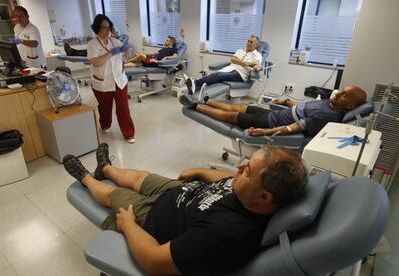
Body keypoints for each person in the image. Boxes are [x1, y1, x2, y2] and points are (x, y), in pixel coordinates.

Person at [63, 143, 307, 275]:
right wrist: (202, 172)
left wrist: (127, 224)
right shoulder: (252, 193)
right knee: (141, 177)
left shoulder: (225, 234)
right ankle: (105, 168)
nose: (239, 168)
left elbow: (155, 262)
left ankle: (85, 178)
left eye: (248, 171)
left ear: (265, 197)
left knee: (115, 195)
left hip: (153, 216)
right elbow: (230, 178)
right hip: (182, 193)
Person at [179, 85, 367, 137]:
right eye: (342, 90)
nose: (339, 93)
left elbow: (295, 127)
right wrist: (286, 101)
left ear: (350, 106)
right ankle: (206, 99)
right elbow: (302, 108)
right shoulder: (330, 102)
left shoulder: (328, 116)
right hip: (273, 114)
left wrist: (266, 132)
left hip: (271, 123)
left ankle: (194, 105)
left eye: (345, 95)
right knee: (239, 106)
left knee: (231, 116)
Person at [87, 14, 136, 143]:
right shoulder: (92, 44)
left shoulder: (114, 41)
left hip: (119, 80)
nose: (107, 30)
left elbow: (125, 55)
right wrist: (110, 53)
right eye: (104, 27)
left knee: (123, 108)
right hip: (102, 82)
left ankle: (129, 133)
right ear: (97, 28)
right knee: (105, 107)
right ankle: (105, 124)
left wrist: (126, 51)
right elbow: (96, 62)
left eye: (108, 27)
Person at [184, 35, 263, 94]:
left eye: (251, 42)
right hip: (229, 69)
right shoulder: (240, 51)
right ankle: (195, 89)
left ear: (256, 45)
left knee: (218, 76)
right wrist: (248, 63)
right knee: (215, 75)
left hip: (240, 75)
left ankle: (194, 83)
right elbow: (233, 59)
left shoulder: (257, 55)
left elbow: (256, 65)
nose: (248, 43)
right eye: (248, 41)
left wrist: (257, 67)